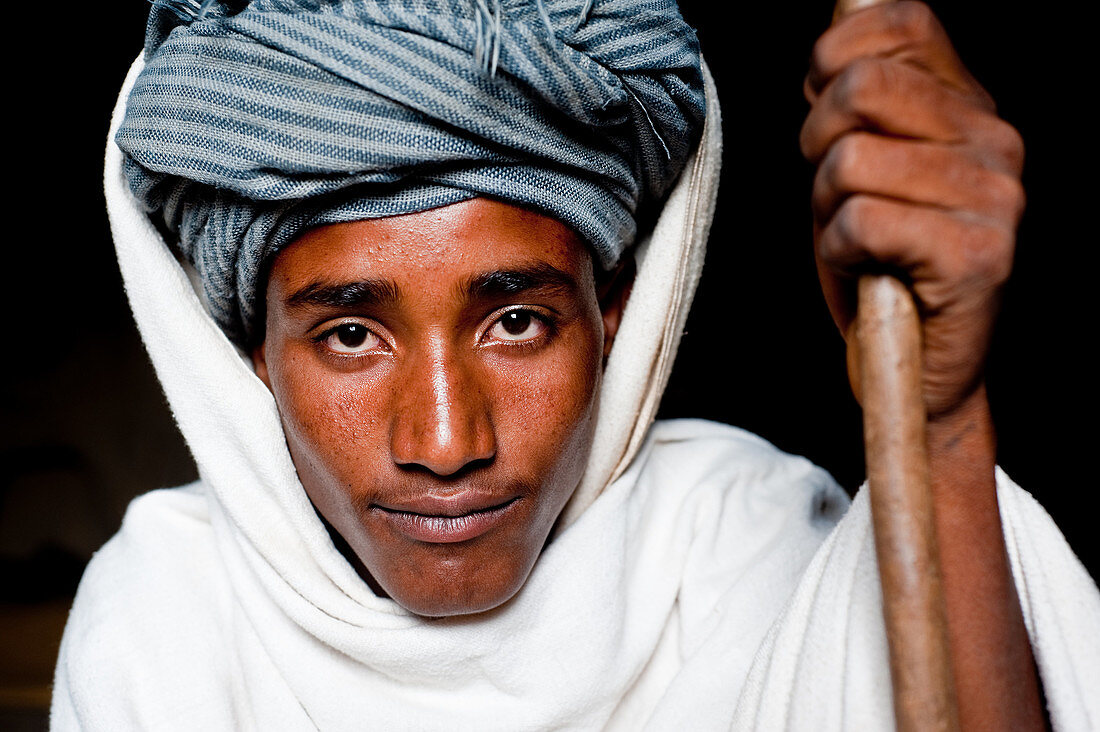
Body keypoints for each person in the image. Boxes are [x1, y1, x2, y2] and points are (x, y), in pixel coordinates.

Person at [52, 0, 1100, 729]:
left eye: (515, 322)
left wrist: (940, 424)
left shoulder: (746, 548)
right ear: (249, 362)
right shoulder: (169, 615)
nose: (447, 443)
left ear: (617, 322)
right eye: (349, 337)